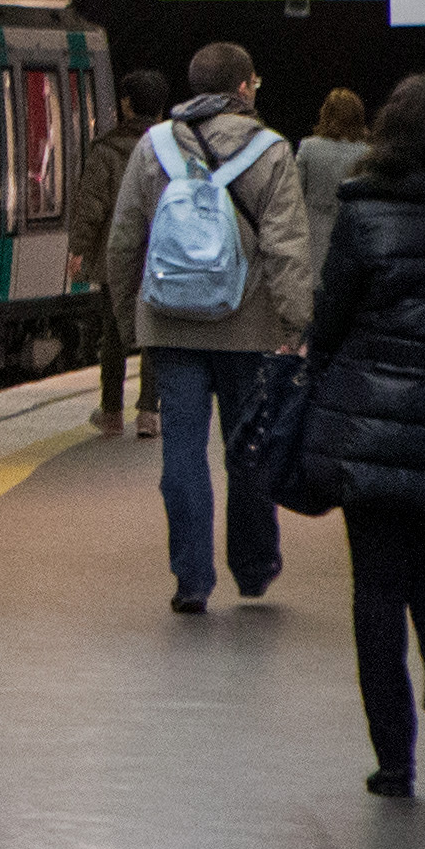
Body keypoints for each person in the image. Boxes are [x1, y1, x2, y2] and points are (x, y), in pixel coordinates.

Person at [105, 39, 317, 615]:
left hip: (170, 325)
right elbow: (287, 248)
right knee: (246, 448)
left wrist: (132, 320)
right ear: (245, 87)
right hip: (248, 329)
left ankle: (192, 579)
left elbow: (125, 239)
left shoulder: (153, 147)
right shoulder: (271, 151)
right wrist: (298, 326)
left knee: (182, 454)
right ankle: (252, 567)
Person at [295, 71, 425, 795]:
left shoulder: (365, 210)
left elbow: (327, 323)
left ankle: (394, 758)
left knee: (378, 595)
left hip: (372, 434)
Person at [74, 66, 167, 435]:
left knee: (113, 332)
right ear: (160, 109)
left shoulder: (106, 149)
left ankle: (111, 412)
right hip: (161, 252)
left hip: (119, 255)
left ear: (126, 105)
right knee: (155, 330)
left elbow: (90, 205)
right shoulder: (170, 149)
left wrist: (79, 248)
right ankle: (148, 413)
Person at [297, 85, 374, 269]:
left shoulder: (308, 147)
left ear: (325, 113)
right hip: (353, 241)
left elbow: (294, 194)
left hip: (312, 241)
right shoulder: (368, 154)